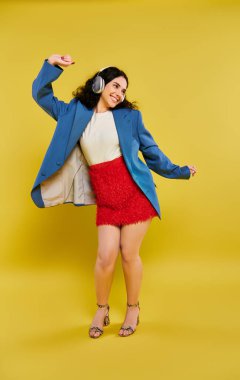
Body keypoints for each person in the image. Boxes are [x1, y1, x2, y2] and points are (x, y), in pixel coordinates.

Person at [31, 54, 197, 339]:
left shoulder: (130, 117)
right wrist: (51, 64)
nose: (120, 93)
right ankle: (102, 308)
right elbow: (41, 94)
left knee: (129, 254)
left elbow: (151, 152)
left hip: (134, 192)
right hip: (107, 196)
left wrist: (179, 171)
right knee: (105, 257)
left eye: (124, 89)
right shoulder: (74, 113)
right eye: (116, 85)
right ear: (100, 83)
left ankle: (133, 308)